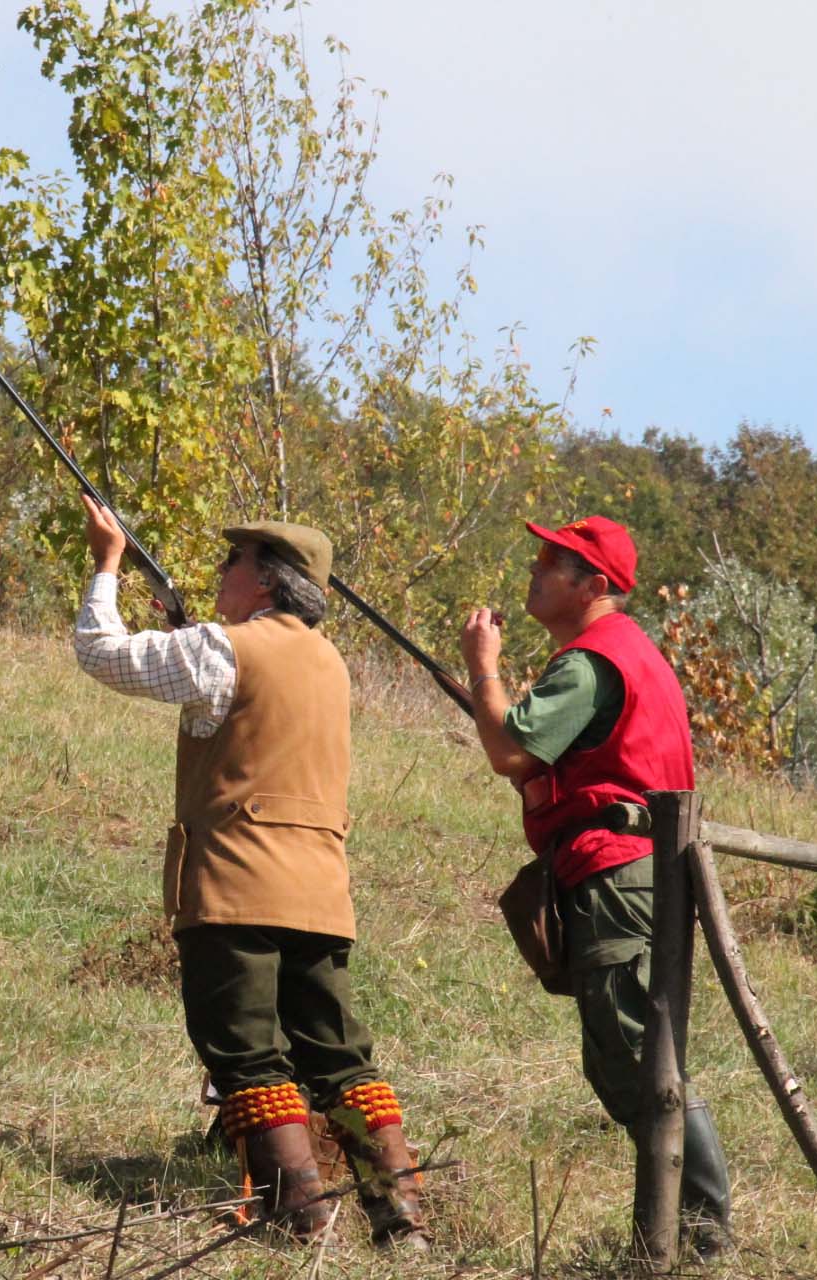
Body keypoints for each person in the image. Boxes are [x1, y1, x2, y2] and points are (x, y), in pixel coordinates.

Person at [72, 494, 428, 1247]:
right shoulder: (332, 664)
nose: (221, 572)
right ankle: (404, 1222)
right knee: (341, 1059)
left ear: (265, 581)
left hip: (235, 885)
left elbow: (100, 654)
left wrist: (106, 565)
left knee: (247, 1055)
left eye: (232, 562)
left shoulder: (223, 650)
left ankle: (299, 1227)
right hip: (323, 894)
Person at [459, 515, 733, 1259]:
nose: (537, 569)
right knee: (629, 1049)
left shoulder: (589, 660)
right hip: (641, 868)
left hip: (618, 868)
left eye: (555, 562)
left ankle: (701, 1238)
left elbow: (507, 749)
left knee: (633, 1050)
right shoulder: (629, 652)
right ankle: (674, 1235)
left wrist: (483, 666)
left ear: (595, 585)